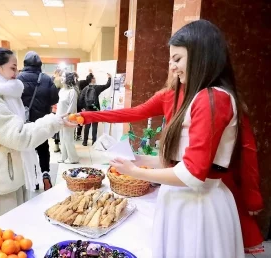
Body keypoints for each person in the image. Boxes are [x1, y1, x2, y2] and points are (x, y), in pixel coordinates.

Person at [78, 20, 262, 257]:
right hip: (183, 200)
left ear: (201, 57)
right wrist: (138, 159)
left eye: (177, 59)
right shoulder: (194, 96)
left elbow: (193, 174)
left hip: (198, 204)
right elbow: (177, 161)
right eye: (171, 59)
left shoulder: (212, 99)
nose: (172, 67)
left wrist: (136, 172)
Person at [0, 48, 74, 219]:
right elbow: (19, 136)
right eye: (12, 68)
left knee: (17, 227)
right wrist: (53, 121)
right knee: (6, 232)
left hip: (12, 171)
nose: (16, 73)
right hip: (1, 177)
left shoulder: (5, 94)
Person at [18, 51, 59, 191]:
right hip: (41, 121)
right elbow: (55, 99)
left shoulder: (18, 78)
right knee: (43, 148)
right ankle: (45, 173)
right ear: (40, 64)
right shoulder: (46, 79)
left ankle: (33, 179)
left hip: (23, 122)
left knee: (27, 150)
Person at [78, 73, 111, 146]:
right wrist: (109, 78)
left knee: (87, 125)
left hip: (87, 110)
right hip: (95, 109)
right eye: (94, 78)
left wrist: (82, 108)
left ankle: (85, 142)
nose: (95, 79)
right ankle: (94, 142)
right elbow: (107, 85)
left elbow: (80, 99)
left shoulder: (85, 88)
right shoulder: (96, 87)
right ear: (92, 79)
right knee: (94, 126)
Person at [57, 72, 79, 164]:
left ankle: (73, 158)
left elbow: (72, 107)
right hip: (60, 118)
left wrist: (64, 116)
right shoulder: (61, 91)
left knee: (68, 138)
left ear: (68, 79)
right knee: (62, 138)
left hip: (69, 118)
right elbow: (59, 105)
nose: (61, 78)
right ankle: (64, 157)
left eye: (63, 76)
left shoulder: (72, 92)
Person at [75, 69, 94, 140]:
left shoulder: (79, 83)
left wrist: (90, 73)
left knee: (75, 119)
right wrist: (91, 73)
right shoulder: (87, 86)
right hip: (82, 105)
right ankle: (78, 135)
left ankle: (75, 134)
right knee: (80, 119)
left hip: (76, 104)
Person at [51, 68, 63, 153]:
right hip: (61, 110)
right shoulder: (63, 91)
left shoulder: (52, 87)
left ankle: (56, 145)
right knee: (61, 127)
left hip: (53, 109)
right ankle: (59, 143)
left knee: (56, 127)